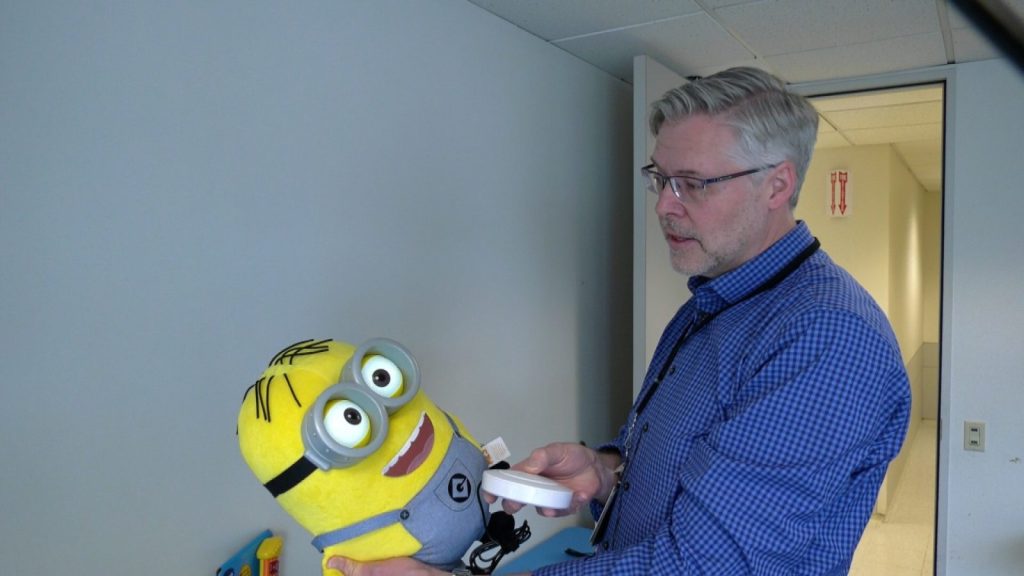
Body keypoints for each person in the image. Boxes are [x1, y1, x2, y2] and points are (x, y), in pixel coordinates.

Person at [328, 67, 911, 575]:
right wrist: (605, 471)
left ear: (777, 185)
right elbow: (685, 461)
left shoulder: (828, 338)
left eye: (694, 184)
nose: (663, 204)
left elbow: (711, 567)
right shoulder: (709, 303)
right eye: (660, 177)